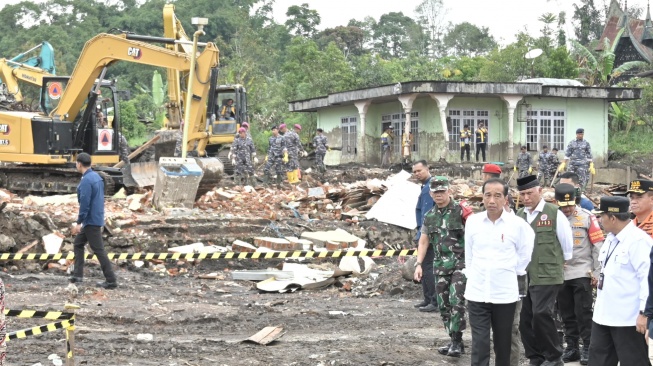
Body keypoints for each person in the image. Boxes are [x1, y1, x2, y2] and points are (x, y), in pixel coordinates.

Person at [465, 178, 535, 366]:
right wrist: (473, 276)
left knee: (503, 344)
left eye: (497, 196)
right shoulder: (473, 222)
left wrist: (509, 272)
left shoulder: (518, 225)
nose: (492, 201)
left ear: (506, 199)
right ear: (483, 197)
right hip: (477, 293)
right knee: (479, 343)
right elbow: (469, 256)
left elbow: (524, 256)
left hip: (504, 294)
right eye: (488, 195)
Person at [516, 175, 573, 366]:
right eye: (522, 194)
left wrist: (557, 264)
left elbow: (567, 247)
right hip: (525, 276)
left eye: (529, 193)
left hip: (548, 274)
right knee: (525, 319)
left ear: (539, 191)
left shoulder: (554, 213)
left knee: (541, 314)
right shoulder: (519, 216)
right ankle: (535, 357)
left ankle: (554, 357)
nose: (526, 198)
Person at [589, 196, 652, 366]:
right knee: (598, 361)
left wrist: (644, 313)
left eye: (601, 216)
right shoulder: (611, 238)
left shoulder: (639, 241)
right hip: (603, 315)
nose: (599, 220)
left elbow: (647, 280)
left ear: (613, 217)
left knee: (633, 361)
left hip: (628, 319)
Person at [414, 177, 467, 357]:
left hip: (461, 264)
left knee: (456, 301)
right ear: (431, 193)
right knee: (444, 305)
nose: (439, 195)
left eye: (442, 191)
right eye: (435, 192)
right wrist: (419, 264)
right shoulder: (429, 216)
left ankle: (457, 341)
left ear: (449, 191)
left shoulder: (461, 211)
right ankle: (453, 339)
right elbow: (423, 241)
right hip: (440, 266)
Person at [553, 184, 604, 365]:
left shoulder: (587, 217)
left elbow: (598, 246)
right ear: (556, 202)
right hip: (561, 273)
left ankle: (587, 346)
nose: (567, 209)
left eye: (570, 204)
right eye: (563, 205)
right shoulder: (552, 217)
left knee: (583, 312)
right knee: (566, 313)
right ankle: (572, 346)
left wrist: (597, 272)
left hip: (582, 271)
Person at [69, 153, 117, 289]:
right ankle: (78, 275)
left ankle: (111, 280)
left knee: (99, 250)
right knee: (78, 243)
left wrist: (79, 222)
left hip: (91, 220)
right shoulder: (96, 177)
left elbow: (85, 203)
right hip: (95, 217)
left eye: (76, 163)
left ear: (79, 164)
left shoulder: (86, 181)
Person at [412, 161, 436, 312]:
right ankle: (428, 298)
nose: (417, 174)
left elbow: (427, 215)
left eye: (419, 170)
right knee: (426, 266)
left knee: (428, 267)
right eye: (414, 172)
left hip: (428, 235)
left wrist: (421, 236)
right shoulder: (425, 187)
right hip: (425, 232)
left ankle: (434, 300)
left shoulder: (429, 188)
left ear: (427, 169)